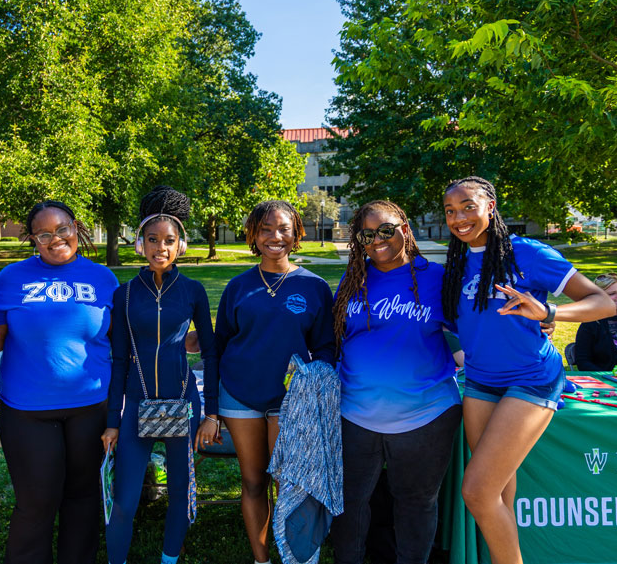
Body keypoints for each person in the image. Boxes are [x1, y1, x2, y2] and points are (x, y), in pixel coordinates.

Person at [441, 176, 614, 564]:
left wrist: (551, 312)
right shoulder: (454, 265)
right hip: (481, 381)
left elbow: (602, 302)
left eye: (469, 206)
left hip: (532, 378)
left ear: (490, 206)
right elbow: (454, 325)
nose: (459, 217)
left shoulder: (527, 253)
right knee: (498, 493)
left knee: (477, 493)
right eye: (450, 211)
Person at [331, 200, 462, 564]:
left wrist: (536, 325)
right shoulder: (353, 278)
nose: (377, 240)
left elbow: (477, 329)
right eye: (367, 235)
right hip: (355, 415)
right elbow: (336, 335)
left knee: (416, 503)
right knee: (350, 502)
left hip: (427, 415)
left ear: (404, 228)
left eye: (386, 230)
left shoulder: (438, 278)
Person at [206, 200, 335, 564]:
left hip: (291, 399)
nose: (275, 236)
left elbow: (326, 346)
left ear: (296, 234)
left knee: (290, 484)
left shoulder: (313, 287)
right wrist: (212, 410)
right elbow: (219, 347)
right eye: (265, 229)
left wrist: (309, 373)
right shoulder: (238, 286)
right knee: (253, 482)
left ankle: (295, 557)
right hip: (240, 394)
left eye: (283, 229)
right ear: (253, 235)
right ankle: (261, 559)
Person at [0, 200, 118, 564]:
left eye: (62, 229)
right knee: (36, 502)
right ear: (32, 239)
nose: (55, 238)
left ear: (75, 228)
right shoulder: (10, 279)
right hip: (28, 410)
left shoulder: (103, 278)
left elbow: (121, 341)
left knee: (83, 498)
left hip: (91, 407)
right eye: (44, 233)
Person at [102, 186, 217, 564]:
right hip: (136, 406)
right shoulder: (125, 294)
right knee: (124, 499)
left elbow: (211, 352)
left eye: (169, 241)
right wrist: (111, 422)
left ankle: (169, 559)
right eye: (153, 240)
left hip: (182, 405)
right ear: (140, 242)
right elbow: (119, 359)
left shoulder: (194, 291)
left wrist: (211, 414)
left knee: (180, 494)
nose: (160, 248)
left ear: (181, 245)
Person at [574, 272, 617, 371]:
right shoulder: (591, 323)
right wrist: (606, 376)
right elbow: (583, 362)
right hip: (605, 381)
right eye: (612, 294)